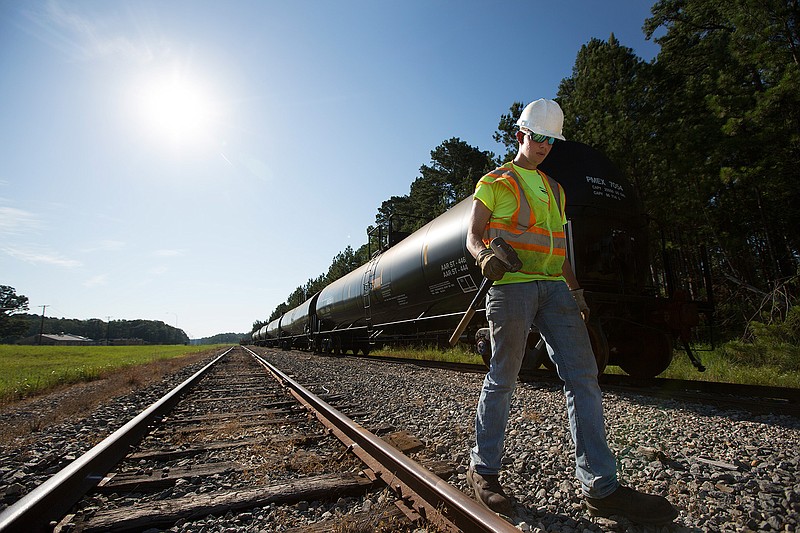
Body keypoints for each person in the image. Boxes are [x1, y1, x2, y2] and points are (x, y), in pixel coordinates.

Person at [465, 98, 678, 526]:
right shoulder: (495, 182)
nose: (544, 145)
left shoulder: (556, 189)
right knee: (503, 377)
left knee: (583, 377)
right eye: (538, 137)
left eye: (551, 140)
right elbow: (473, 235)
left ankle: (601, 488)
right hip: (511, 289)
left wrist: (577, 293)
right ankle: (484, 470)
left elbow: (559, 251)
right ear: (521, 133)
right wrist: (483, 255)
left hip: (556, 290)